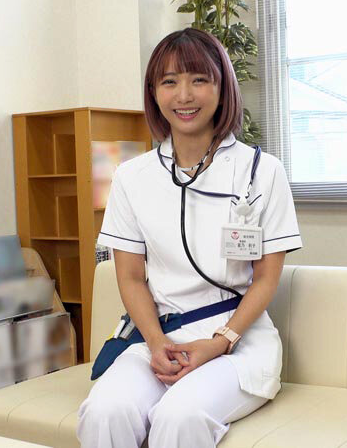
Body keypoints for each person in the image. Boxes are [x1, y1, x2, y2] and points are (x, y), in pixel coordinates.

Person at [76, 28, 301, 448]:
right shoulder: (131, 176)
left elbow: (266, 278)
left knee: (179, 416)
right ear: (153, 92)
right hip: (159, 338)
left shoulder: (262, 172)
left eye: (199, 79)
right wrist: (156, 343)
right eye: (169, 81)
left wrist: (219, 343)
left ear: (222, 87)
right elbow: (130, 277)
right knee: (105, 412)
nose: (184, 95)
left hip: (238, 342)